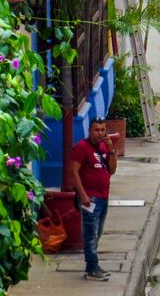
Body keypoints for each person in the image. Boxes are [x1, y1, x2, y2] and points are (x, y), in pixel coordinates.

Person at [68, 118, 118, 281]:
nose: (100, 133)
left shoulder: (104, 146)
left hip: (103, 196)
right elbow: (74, 172)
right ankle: (91, 268)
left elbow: (112, 169)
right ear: (89, 131)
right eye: (97, 130)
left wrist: (111, 150)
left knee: (98, 232)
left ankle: (94, 265)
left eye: (103, 130)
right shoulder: (81, 148)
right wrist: (82, 195)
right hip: (90, 198)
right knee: (90, 234)